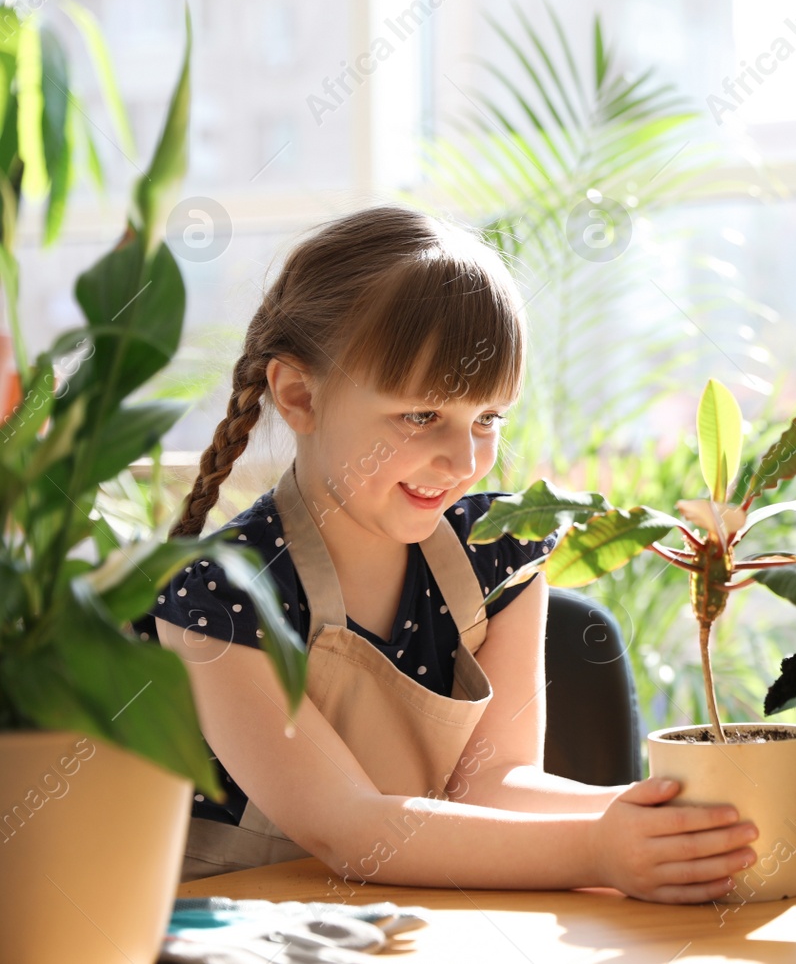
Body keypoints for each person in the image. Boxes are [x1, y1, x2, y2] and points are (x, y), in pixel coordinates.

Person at [135, 206, 758, 901]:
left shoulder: (499, 555)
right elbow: (350, 828)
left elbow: (493, 784)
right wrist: (595, 850)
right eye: (421, 415)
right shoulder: (218, 594)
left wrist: (673, 823)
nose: (463, 459)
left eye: (488, 417)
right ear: (299, 394)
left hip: (410, 926)